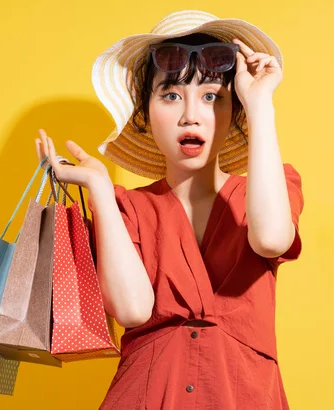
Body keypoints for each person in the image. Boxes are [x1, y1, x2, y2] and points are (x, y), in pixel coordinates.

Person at [36, 10, 304, 410]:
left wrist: (261, 103)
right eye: (171, 95)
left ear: (236, 111)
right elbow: (132, 309)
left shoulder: (274, 188)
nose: (190, 115)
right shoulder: (128, 206)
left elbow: (269, 239)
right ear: (144, 113)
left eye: (213, 96)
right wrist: (100, 190)